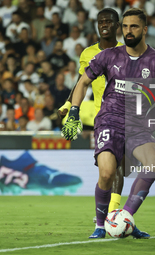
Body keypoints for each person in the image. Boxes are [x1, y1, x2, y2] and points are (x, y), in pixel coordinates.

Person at [62, 8, 155, 239]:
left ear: (145, 30)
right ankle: (100, 225)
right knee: (107, 173)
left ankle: (124, 218)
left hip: (138, 126)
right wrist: (74, 111)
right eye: (126, 26)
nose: (128, 31)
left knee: (154, 161)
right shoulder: (109, 56)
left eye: (134, 26)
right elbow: (83, 81)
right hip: (110, 120)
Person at [58, 8, 125, 221]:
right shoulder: (88, 53)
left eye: (108, 21)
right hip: (103, 116)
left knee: (120, 167)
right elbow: (81, 83)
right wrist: (68, 105)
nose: (104, 24)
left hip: (128, 116)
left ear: (117, 25)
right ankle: (107, 215)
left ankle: (111, 213)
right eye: (100, 22)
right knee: (108, 169)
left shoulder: (128, 51)